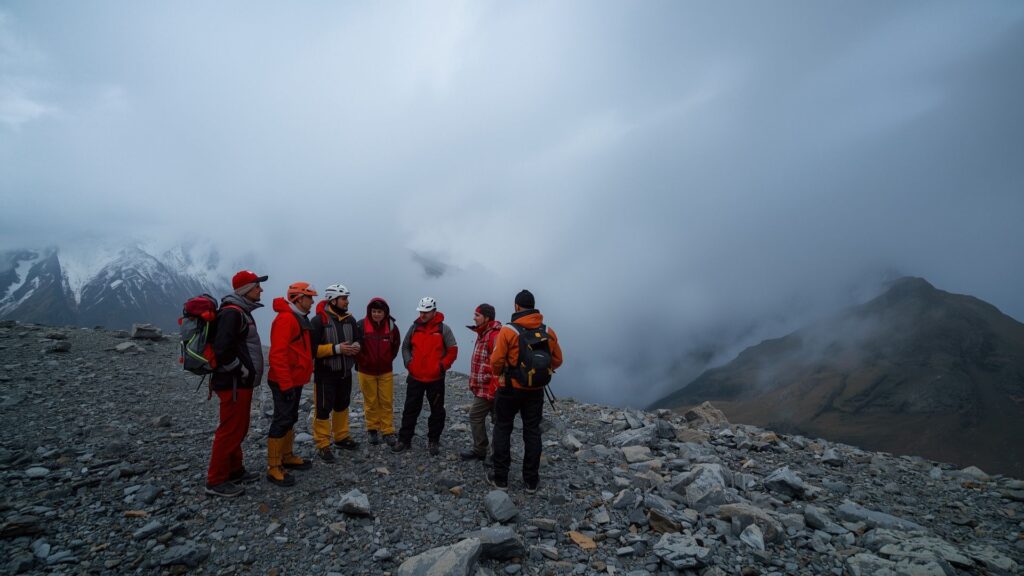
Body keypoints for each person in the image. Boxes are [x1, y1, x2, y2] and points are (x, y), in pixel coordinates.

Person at [488, 290, 563, 493]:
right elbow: (558, 360)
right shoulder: (548, 330)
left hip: (510, 389)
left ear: (516, 307)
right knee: (532, 432)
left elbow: (496, 361)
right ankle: (531, 481)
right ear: (533, 306)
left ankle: (501, 478)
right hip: (536, 390)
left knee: (503, 428)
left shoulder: (508, 331)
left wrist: (501, 373)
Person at [205, 270, 267, 498]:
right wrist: (240, 371)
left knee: (238, 427)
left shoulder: (239, 312)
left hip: (237, 383)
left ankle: (235, 469)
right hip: (233, 383)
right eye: (256, 286)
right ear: (244, 290)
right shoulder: (233, 314)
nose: (260, 289)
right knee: (230, 429)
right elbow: (223, 350)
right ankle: (215, 480)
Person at [266, 282, 317, 487]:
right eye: (309, 297)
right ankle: (273, 467)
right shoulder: (287, 319)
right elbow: (277, 355)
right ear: (298, 299)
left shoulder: (296, 317)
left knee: (290, 418)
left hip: (292, 380)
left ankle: (287, 456)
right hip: (284, 381)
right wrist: (286, 384)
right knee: (281, 419)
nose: (312, 301)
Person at [392, 296, 458, 456]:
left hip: (436, 379)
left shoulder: (444, 329)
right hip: (415, 378)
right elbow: (405, 346)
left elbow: (453, 349)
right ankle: (404, 440)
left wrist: (442, 366)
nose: (423, 314)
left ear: (434, 311)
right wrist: (409, 364)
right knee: (410, 409)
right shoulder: (414, 327)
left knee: (437, 411)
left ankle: (433, 441)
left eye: (426, 312)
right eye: (421, 311)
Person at [309, 283, 363, 463]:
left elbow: (358, 339)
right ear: (333, 300)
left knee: (342, 405)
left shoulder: (350, 320)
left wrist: (357, 346)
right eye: (343, 298)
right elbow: (311, 349)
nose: (347, 301)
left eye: (347, 298)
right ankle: (323, 444)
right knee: (323, 409)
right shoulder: (318, 321)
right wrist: (336, 349)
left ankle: (341, 437)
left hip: (345, 372)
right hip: (325, 374)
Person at [356, 297, 401, 446]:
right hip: (366, 371)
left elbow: (395, 345)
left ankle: (388, 430)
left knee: (387, 401)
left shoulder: (392, 326)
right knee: (370, 402)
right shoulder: (361, 325)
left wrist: (388, 359)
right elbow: (356, 347)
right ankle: (372, 429)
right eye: (374, 311)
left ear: (385, 312)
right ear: (370, 311)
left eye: (379, 311)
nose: (376, 314)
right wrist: (364, 361)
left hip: (385, 371)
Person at [461, 303, 501, 462]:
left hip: (491, 388)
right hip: (484, 388)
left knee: (484, 418)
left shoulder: (494, 335)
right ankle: (485, 451)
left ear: (487, 317)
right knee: (493, 420)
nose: (474, 318)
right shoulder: (484, 333)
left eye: (477, 315)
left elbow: (498, 364)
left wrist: (491, 385)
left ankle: (489, 453)